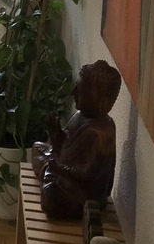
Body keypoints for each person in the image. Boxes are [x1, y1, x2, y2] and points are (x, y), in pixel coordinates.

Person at [31, 60, 121, 219]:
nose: (73, 93)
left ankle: (49, 174)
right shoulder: (79, 116)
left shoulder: (102, 132)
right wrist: (55, 134)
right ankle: (49, 173)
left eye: (80, 90)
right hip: (63, 169)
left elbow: (89, 173)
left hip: (82, 191)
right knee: (37, 147)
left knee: (49, 199)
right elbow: (63, 147)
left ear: (101, 101)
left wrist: (59, 168)